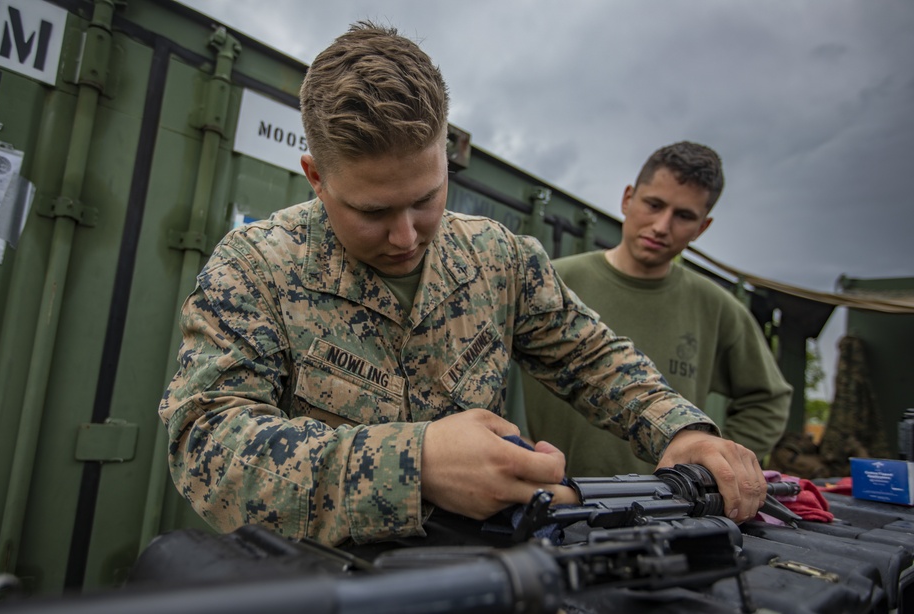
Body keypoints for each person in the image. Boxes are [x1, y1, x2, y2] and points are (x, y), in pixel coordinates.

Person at [158, 23, 767, 547]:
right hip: (315, 599)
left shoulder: (498, 257)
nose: (405, 236)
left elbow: (590, 357)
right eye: (372, 212)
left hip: (479, 590)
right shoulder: (254, 269)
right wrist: (413, 464)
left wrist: (679, 427)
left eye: (426, 199)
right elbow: (208, 449)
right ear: (316, 177)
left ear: (444, 155)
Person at [523, 141, 792, 478]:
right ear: (627, 199)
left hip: (667, 508)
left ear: (702, 227)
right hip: (557, 497)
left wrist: (716, 464)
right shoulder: (551, 282)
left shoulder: (717, 307)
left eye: (683, 216)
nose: (662, 226)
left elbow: (768, 399)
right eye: (653, 204)